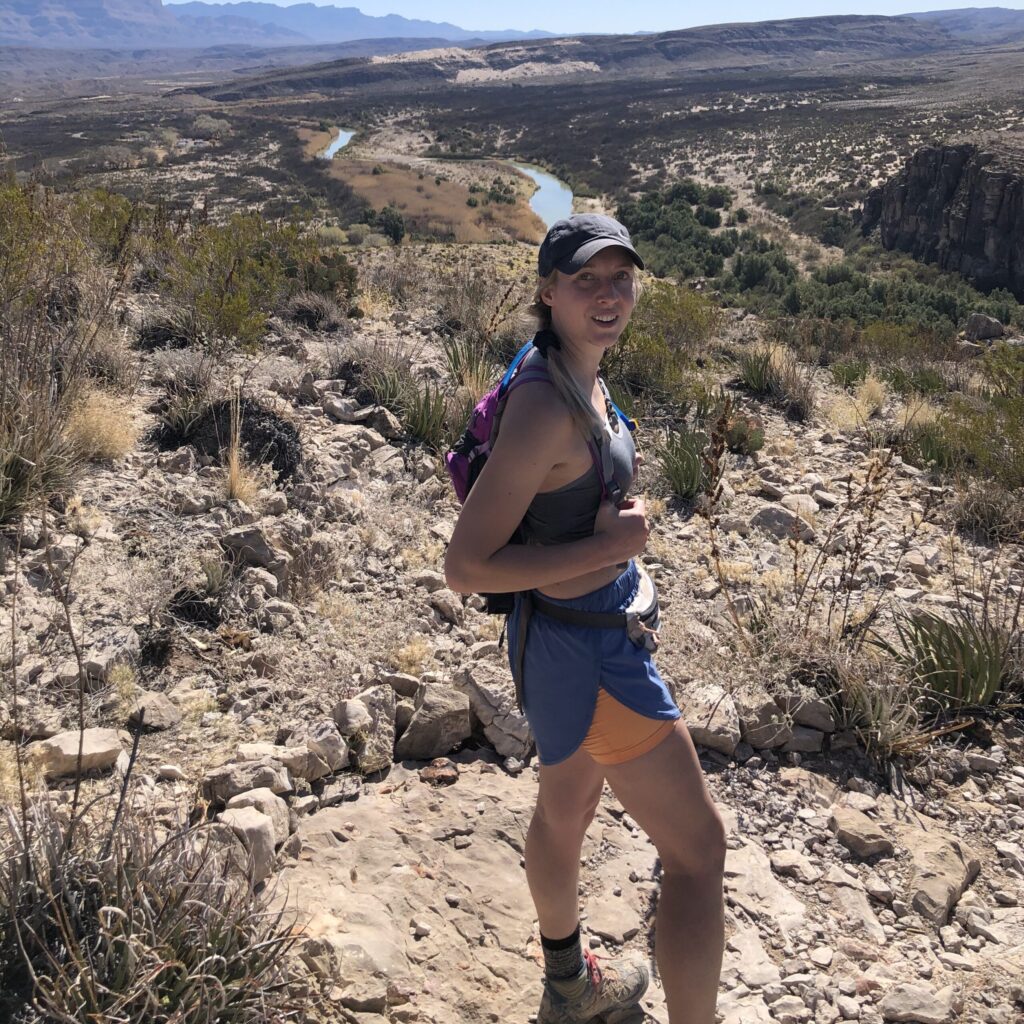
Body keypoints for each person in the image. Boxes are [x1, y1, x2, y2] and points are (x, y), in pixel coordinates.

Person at [444, 214, 726, 1024]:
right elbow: (465, 568)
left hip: (559, 645)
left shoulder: (562, 367)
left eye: (620, 278)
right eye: (585, 280)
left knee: (566, 806)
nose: (607, 296)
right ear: (547, 289)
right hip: (592, 656)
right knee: (699, 851)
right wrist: (609, 547)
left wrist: (599, 538)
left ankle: (569, 983)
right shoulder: (547, 407)